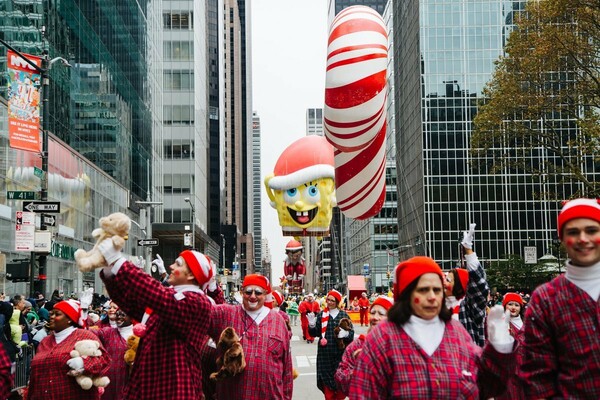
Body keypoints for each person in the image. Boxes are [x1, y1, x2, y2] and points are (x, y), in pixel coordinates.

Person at [350, 256, 516, 399]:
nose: (432, 297)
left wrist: (500, 349)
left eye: (437, 290)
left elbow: (487, 386)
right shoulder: (382, 337)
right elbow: (364, 393)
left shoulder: (456, 333)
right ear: (406, 294)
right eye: (423, 290)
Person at [97, 238, 219, 399]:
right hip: (150, 387)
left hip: (174, 390)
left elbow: (156, 293)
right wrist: (110, 271)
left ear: (191, 275)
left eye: (178, 264)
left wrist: (120, 262)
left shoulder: (197, 302)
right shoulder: (171, 299)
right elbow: (130, 303)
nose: (171, 266)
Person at [519, 198, 600, 398]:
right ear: (562, 238)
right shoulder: (545, 298)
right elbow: (537, 378)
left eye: (591, 230)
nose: (583, 239)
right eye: (573, 232)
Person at [207, 274, 293, 399]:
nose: (253, 296)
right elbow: (200, 311)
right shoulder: (226, 314)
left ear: (265, 294)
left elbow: (287, 369)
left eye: (258, 292)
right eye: (248, 292)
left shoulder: (279, 321)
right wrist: (210, 283)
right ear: (242, 292)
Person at [27, 299, 111, 399]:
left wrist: (84, 363)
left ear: (69, 319)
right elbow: (35, 376)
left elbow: (105, 360)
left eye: (57, 314)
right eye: (51, 313)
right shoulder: (45, 341)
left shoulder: (83, 335)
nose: (51, 316)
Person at [335, 295, 393, 396]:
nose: (375, 317)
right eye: (373, 313)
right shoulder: (357, 345)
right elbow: (340, 378)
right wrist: (360, 369)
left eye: (381, 314)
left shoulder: (399, 346)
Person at [444, 223, 489, 346]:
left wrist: (468, 251)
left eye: (448, 280)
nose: (443, 282)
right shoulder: (436, 305)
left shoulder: (468, 307)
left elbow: (480, 287)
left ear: (459, 286)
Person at [308, 289, 354, 399]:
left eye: (332, 300)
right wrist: (312, 325)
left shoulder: (344, 315)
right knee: (327, 387)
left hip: (340, 355)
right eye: (328, 299)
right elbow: (315, 333)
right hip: (325, 356)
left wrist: (346, 334)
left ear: (337, 302)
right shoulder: (321, 315)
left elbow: (351, 335)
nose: (329, 302)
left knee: (340, 385)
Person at [93, 307, 133, 400]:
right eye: (117, 314)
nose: (119, 317)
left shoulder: (138, 335)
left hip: (129, 384)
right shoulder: (107, 332)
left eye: (123, 315)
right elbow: (87, 332)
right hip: (109, 385)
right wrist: (83, 312)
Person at [497, 292, 525, 400]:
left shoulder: (527, 324)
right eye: (510, 304)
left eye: (516, 305)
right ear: (504, 306)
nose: (513, 307)